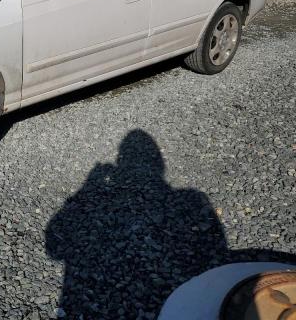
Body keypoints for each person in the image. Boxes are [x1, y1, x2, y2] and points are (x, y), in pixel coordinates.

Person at [46, 129, 295, 318]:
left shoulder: (191, 199)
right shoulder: (193, 199)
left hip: (79, 294)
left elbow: (54, 248)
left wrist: (87, 190)